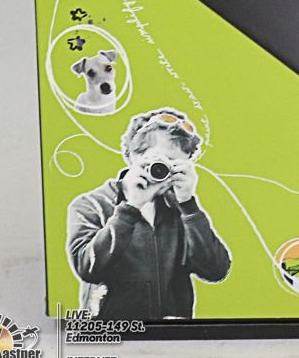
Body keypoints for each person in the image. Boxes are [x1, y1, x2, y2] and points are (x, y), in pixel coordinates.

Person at [66, 108, 230, 320]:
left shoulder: (179, 209)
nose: (163, 170)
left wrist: (188, 205)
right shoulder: (92, 204)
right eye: (159, 160)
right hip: (114, 331)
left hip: (171, 334)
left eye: (174, 164)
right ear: (133, 155)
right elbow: (88, 268)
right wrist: (131, 207)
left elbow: (216, 271)